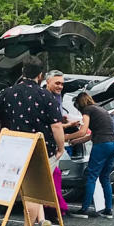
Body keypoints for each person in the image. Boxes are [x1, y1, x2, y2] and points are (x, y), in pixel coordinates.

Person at [0, 56, 64, 226]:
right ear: (41, 75)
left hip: (14, 147)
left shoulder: (8, 92)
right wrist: (60, 148)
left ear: (22, 72)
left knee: (25, 191)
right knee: (35, 192)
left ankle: (41, 222)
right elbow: (57, 126)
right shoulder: (46, 96)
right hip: (40, 148)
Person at [67, 92, 114, 219]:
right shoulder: (101, 110)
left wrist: (66, 137)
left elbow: (83, 131)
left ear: (79, 103)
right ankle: (108, 210)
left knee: (91, 177)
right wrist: (75, 141)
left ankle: (84, 209)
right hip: (112, 144)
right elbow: (91, 135)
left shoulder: (87, 110)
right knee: (105, 177)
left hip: (101, 145)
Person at [43, 70, 71, 217]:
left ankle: (51, 209)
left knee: (54, 175)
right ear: (47, 82)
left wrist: (62, 120)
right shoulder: (45, 97)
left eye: (62, 84)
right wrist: (62, 126)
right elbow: (53, 125)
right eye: (57, 83)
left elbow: (56, 121)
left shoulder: (57, 97)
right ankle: (51, 208)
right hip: (48, 144)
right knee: (51, 176)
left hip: (54, 144)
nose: (60, 86)